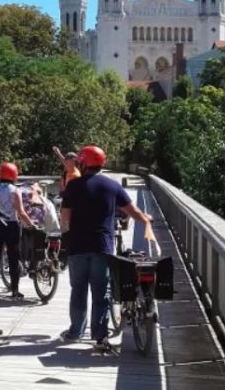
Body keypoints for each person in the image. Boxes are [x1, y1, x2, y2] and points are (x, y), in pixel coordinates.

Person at [60, 145, 155, 350]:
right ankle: (100, 335)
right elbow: (133, 211)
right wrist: (146, 219)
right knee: (101, 291)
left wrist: (69, 231)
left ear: (83, 163)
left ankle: (76, 331)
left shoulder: (73, 186)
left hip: (77, 246)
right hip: (102, 246)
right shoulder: (112, 186)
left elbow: (65, 218)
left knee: (78, 290)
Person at [0, 162, 34, 298]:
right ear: (14, 175)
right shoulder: (15, 190)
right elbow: (20, 211)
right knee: (14, 258)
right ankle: (15, 290)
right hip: (11, 226)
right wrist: (31, 224)